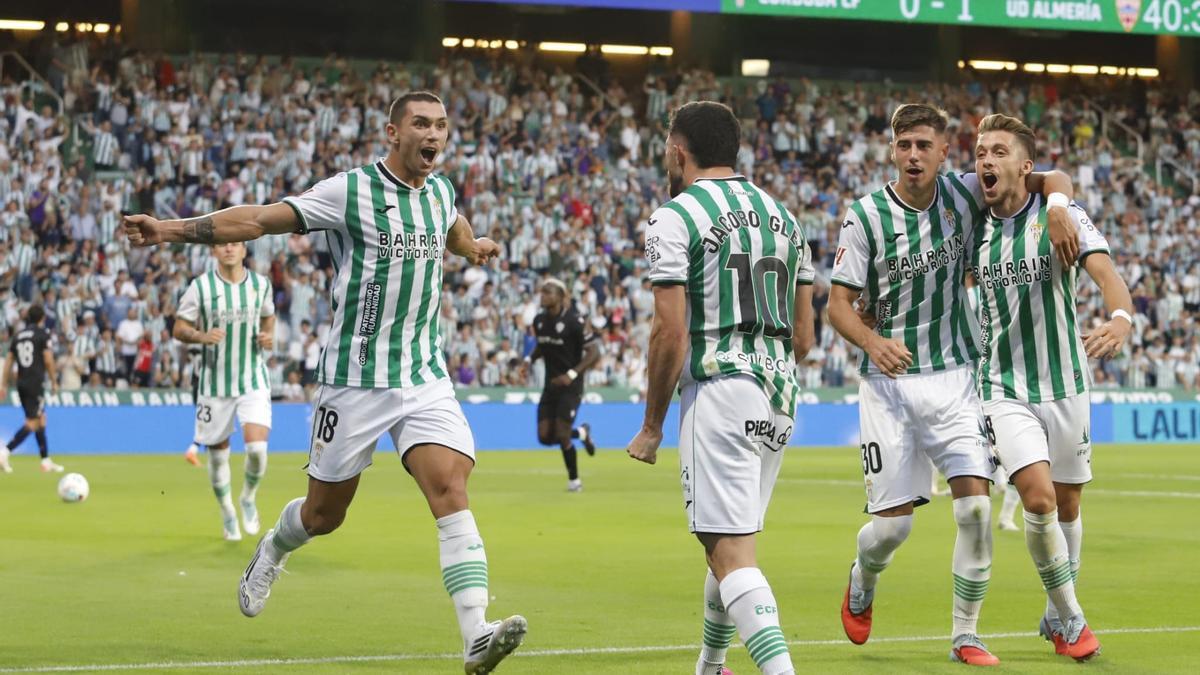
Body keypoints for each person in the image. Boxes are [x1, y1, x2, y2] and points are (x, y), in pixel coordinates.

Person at [123, 91, 526, 675]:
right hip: (354, 381)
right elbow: (259, 220)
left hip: (423, 375)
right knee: (323, 516)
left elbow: (452, 226)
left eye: (441, 124)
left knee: (450, 487)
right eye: (421, 123)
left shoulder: (439, 193)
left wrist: (473, 245)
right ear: (392, 132)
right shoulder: (351, 191)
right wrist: (168, 229)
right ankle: (275, 547)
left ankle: (474, 635)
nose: (433, 134)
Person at [828, 103, 1077, 666]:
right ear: (892, 150)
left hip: (957, 377)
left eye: (924, 145)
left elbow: (1051, 177)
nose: (913, 155)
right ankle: (862, 578)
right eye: (904, 145)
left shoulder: (967, 193)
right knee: (891, 533)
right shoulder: (864, 216)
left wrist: (1059, 205)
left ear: (945, 153)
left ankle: (965, 634)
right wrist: (872, 341)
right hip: (887, 386)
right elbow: (837, 306)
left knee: (975, 510)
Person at [626, 101, 815, 675]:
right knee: (729, 544)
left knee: (729, 552)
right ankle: (711, 666)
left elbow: (670, 331)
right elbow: (804, 337)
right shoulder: (785, 216)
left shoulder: (676, 215)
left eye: (666, 145)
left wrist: (653, 424)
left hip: (722, 390)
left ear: (678, 151)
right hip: (780, 394)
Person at [971, 113, 1132, 661]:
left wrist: (1119, 319)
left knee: (1067, 504)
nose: (986, 160)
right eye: (980, 152)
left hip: (1066, 382)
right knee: (1036, 498)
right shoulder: (971, 224)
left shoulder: (1060, 215)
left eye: (997, 151)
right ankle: (1073, 619)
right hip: (1002, 386)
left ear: (1025, 165)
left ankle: (1057, 610)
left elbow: (1109, 276)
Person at [173, 241, 276, 542]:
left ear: (244, 250)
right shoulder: (201, 287)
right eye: (222, 245)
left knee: (257, 451)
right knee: (218, 458)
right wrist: (201, 336)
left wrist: (268, 336)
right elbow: (179, 327)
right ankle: (228, 511)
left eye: (235, 244)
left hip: (252, 379)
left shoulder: (260, 285)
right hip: (214, 386)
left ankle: (247, 497)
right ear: (214, 252)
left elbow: (268, 316)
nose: (229, 248)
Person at [529, 278, 600, 491]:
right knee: (544, 437)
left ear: (560, 297)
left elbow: (594, 352)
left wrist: (571, 374)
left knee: (561, 433)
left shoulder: (574, 321)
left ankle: (574, 482)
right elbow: (543, 346)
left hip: (571, 386)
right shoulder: (539, 320)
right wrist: (528, 360)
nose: (543, 296)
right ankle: (582, 433)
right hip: (550, 386)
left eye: (548, 292)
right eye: (542, 292)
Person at [0, 305, 64, 473]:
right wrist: (54, 381)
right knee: (32, 422)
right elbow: (48, 360)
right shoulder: (42, 335)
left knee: (41, 418)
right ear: (42, 318)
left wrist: (3, 384)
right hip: (36, 382)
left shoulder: (19, 336)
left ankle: (45, 460)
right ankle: (5, 451)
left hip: (22, 382)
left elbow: (9, 361)